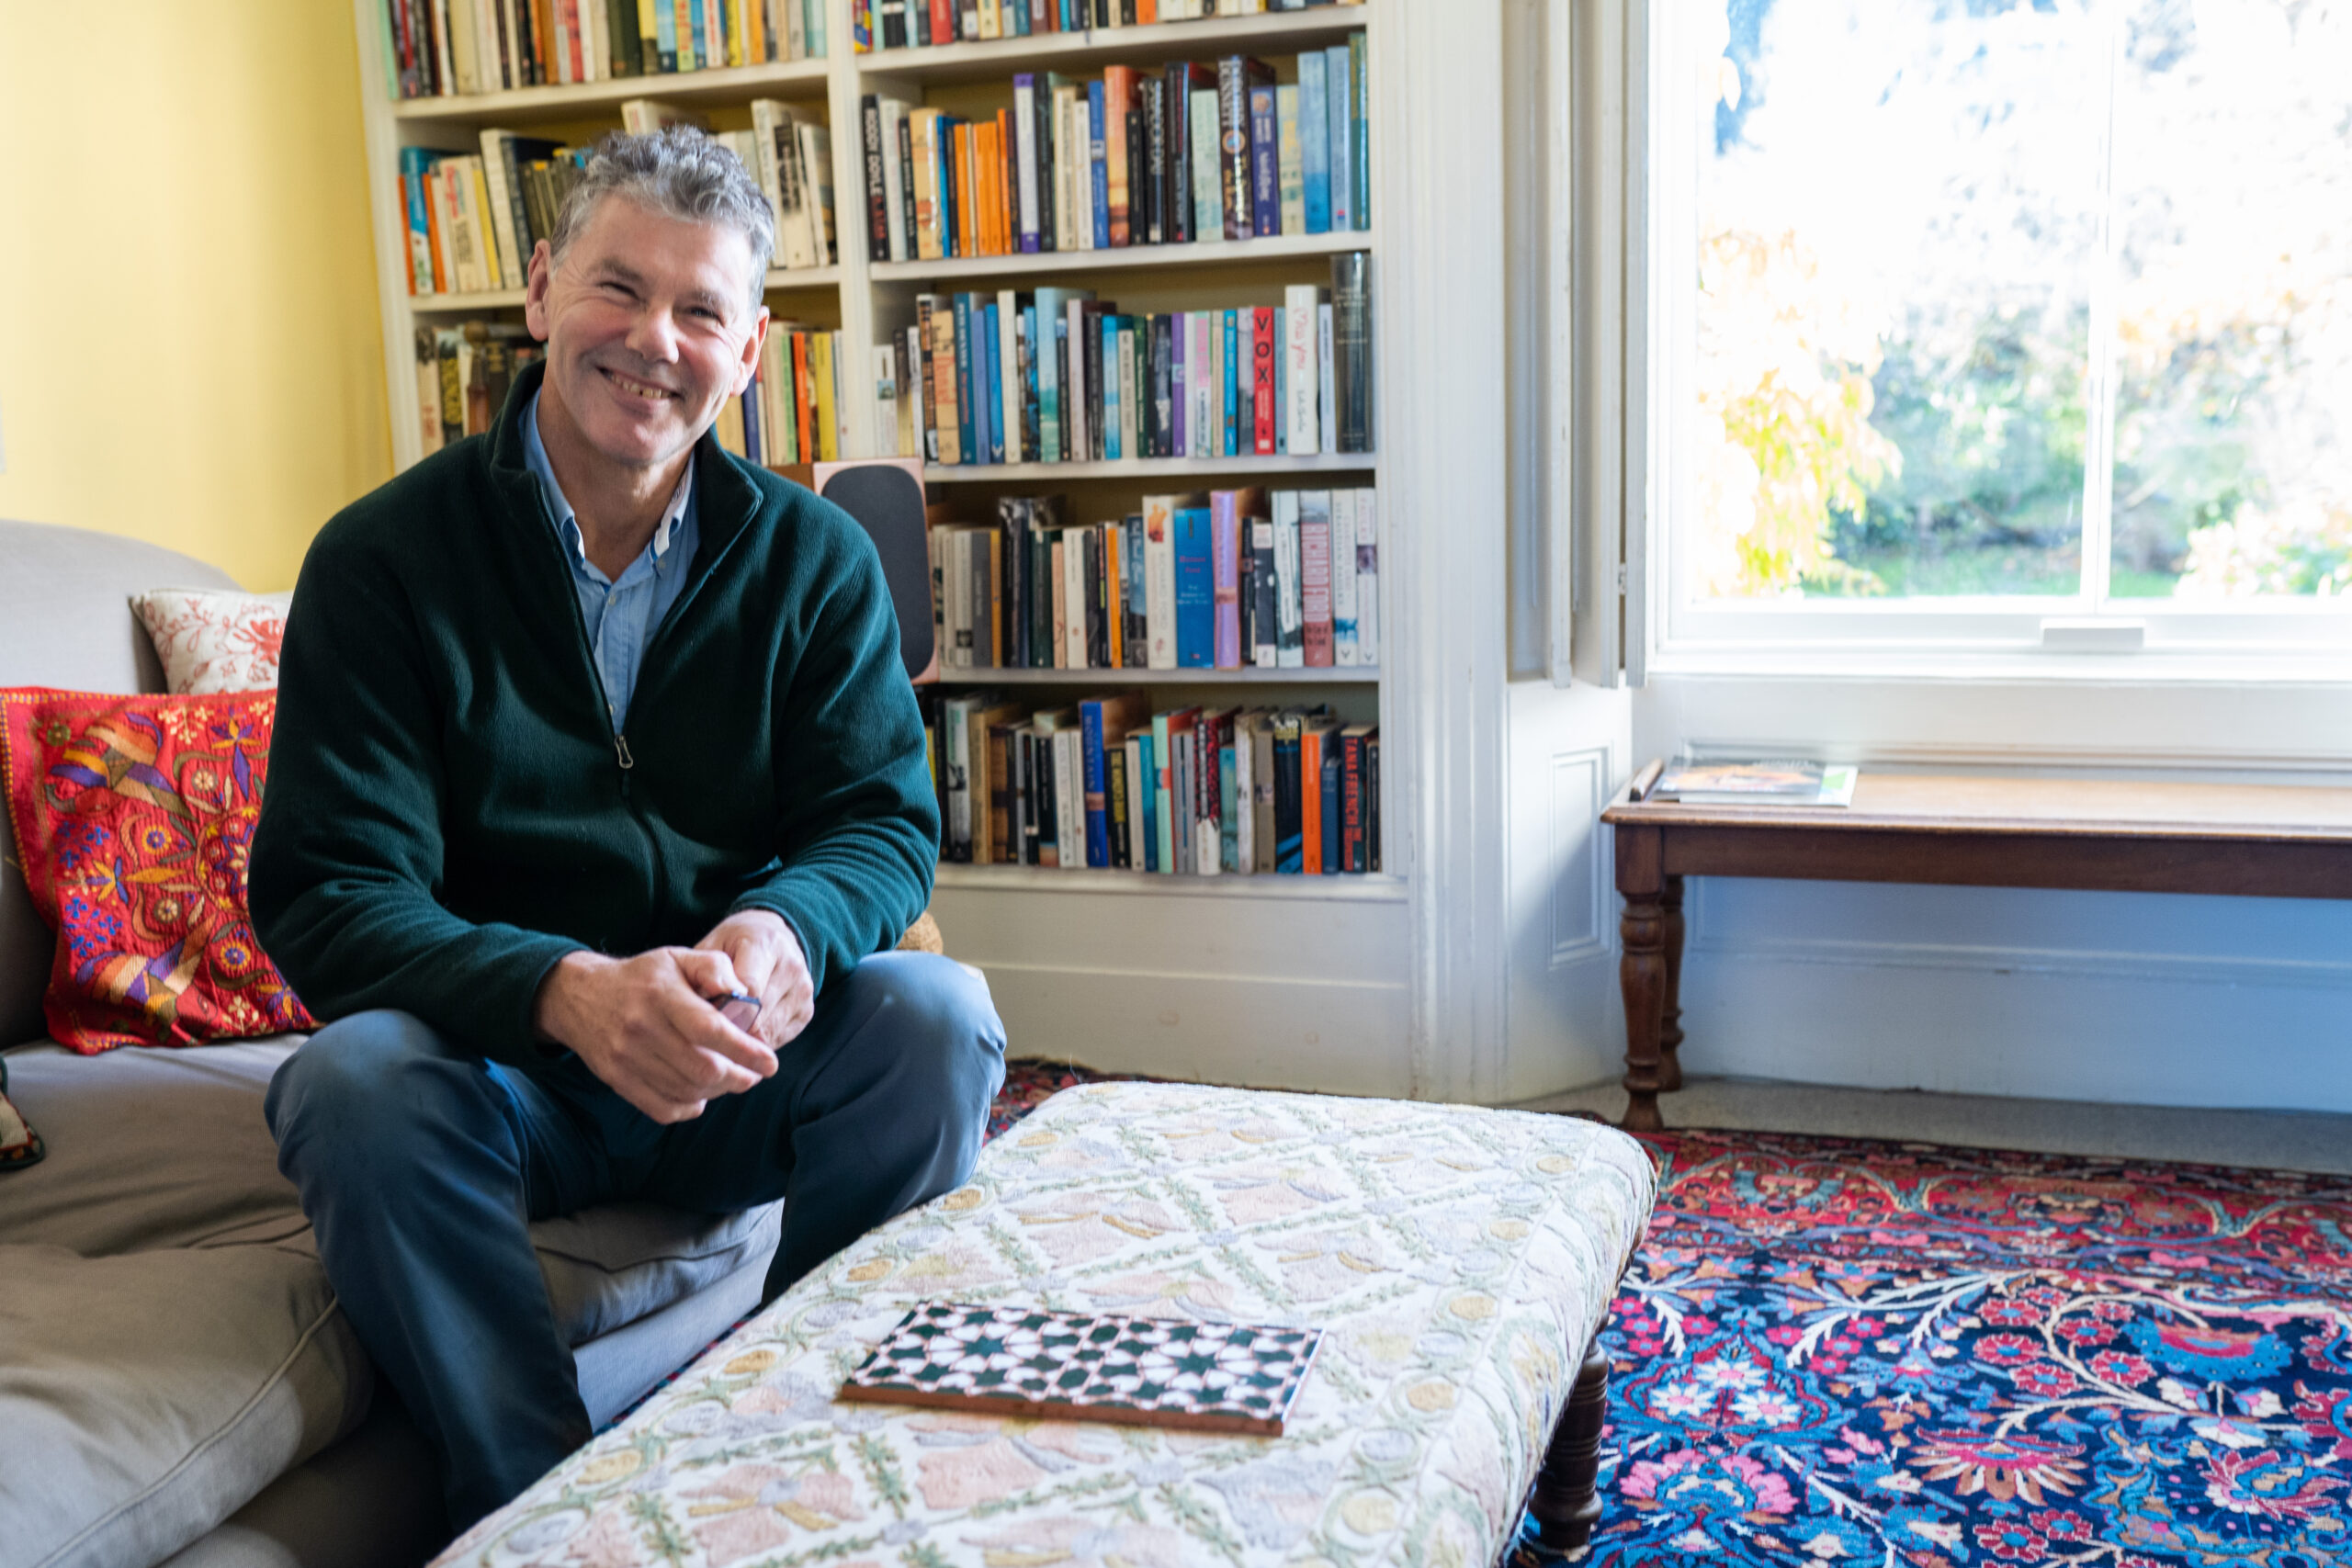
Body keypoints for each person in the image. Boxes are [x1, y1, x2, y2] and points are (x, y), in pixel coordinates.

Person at [248, 128, 1005, 1530]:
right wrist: (566, 991)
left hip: (737, 1060)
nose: (655, 340)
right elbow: (330, 889)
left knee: (936, 1016)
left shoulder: (816, 561)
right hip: (504, 1075)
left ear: (750, 352)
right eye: (619, 287)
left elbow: (879, 823)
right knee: (348, 1084)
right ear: (540, 291)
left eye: (700, 310)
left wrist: (785, 929)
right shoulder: (381, 563)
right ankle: (541, 1513)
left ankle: (800, 1449)